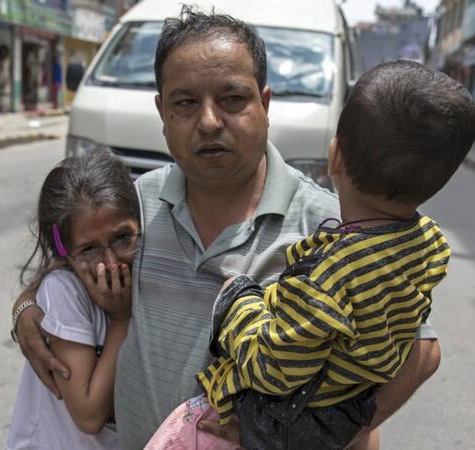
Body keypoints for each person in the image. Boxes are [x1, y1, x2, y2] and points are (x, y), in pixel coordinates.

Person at [13, 7, 442, 449]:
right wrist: (27, 306)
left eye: (232, 99)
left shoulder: (332, 228)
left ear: (265, 104)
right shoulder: (136, 207)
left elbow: (421, 354)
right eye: (185, 103)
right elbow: (74, 261)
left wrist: (313, 435)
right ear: (163, 112)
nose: (209, 122)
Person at [150, 60, 475, 449]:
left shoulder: (332, 276)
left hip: (293, 419)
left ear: (335, 157)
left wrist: (238, 302)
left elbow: (272, 370)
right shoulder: (431, 241)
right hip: (351, 399)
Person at [6, 151, 138, 449]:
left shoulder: (143, 269)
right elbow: (89, 416)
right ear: (64, 253)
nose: (110, 262)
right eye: (88, 249)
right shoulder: (64, 290)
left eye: (122, 238)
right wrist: (121, 320)